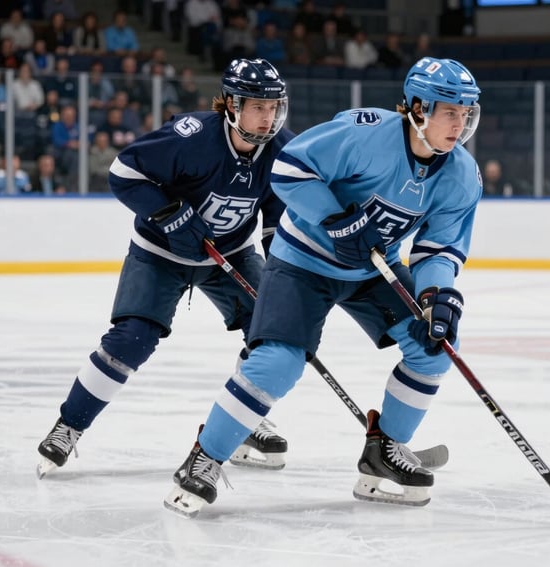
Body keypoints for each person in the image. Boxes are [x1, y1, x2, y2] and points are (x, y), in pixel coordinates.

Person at [163, 57, 483, 517]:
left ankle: (383, 454)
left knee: (433, 346)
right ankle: (205, 457)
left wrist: (437, 295)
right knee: (277, 364)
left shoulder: (460, 175)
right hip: (303, 263)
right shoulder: (365, 134)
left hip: (375, 270)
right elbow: (290, 169)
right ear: (417, 107)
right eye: (450, 111)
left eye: (467, 112)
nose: (461, 123)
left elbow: (439, 247)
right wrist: (335, 220)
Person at [36, 58, 296, 479]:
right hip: (159, 253)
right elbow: (123, 172)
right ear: (231, 104)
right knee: (132, 339)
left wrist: (277, 262)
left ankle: (243, 420)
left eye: (273, 108)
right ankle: (69, 426)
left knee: (273, 333)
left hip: (229, 254)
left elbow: (275, 207)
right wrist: (170, 214)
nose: (268, 119)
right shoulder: (191, 137)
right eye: (258, 107)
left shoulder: (281, 147)